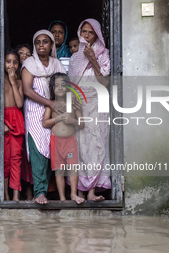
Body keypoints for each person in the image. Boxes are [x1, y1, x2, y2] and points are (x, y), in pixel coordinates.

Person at [68, 19, 111, 201]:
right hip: (80, 106)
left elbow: (105, 82)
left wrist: (93, 59)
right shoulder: (75, 57)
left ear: (97, 35)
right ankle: (79, 192)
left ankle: (92, 191)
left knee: (97, 145)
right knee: (80, 147)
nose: (85, 35)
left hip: (97, 105)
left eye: (90, 32)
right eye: (83, 31)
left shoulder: (103, 55)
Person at [22, 30, 66, 204]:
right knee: (38, 149)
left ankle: (50, 191)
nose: (41, 45)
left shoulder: (57, 64)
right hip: (34, 112)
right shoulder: (29, 64)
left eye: (45, 42)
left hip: (54, 112)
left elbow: (66, 85)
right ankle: (39, 192)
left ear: (51, 45)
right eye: (38, 42)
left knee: (52, 148)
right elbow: (27, 90)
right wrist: (49, 102)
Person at [42, 72, 85, 204]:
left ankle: (73, 194)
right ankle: (62, 198)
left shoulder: (74, 103)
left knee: (73, 167)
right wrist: (59, 118)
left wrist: (72, 120)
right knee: (59, 170)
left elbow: (82, 124)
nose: (60, 88)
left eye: (63, 85)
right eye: (56, 85)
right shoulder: (52, 105)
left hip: (70, 140)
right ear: (52, 89)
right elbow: (45, 123)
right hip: (56, 141)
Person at [4, 50, 25, 201]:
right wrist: (1, 123)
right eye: (8, 61)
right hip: (4, 120)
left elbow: (19, 103)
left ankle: (16, 196)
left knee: (16, 159)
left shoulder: (18, 82)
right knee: (5, 160)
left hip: (16, 119)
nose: (12, 65)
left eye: (15, 62)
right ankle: (4, 194)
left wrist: (13, 82)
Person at [16, 43, 34, 200]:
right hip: (16, 117)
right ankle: (23, 192)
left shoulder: (33, 72)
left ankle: (30, 192)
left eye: (28, 54)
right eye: (21, 53)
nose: (24, 56)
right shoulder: (14, 76)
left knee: (30, 154)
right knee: (19, 156)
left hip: (31, 115)